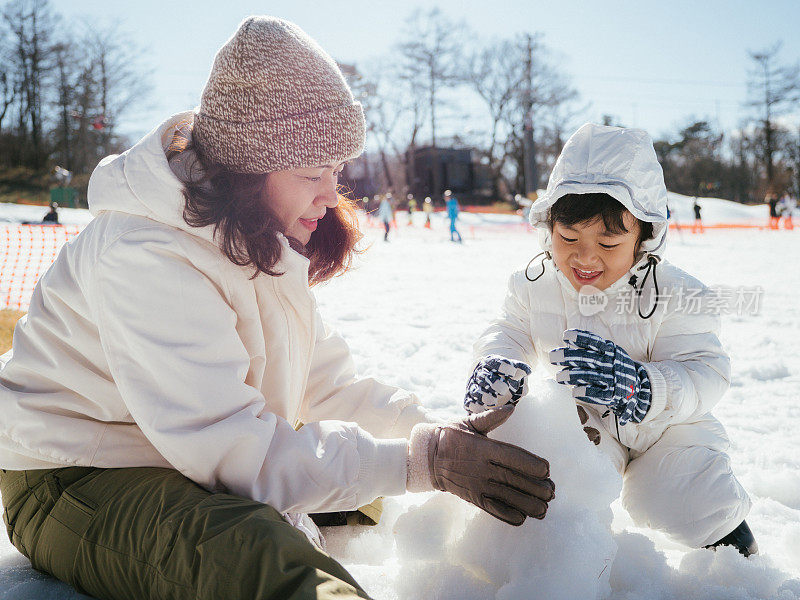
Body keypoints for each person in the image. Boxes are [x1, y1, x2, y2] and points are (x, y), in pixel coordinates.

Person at [0, 17, 555, 600]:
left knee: (367, 484)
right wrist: (424, 464)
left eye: (336, 171)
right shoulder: (144, 257)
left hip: (182, 450)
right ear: (246, 170)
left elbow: (326, 383)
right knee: (255, 556)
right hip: (74, 471)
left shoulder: (255, 240)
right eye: (311, 173)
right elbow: (233, 450)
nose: (330, 194)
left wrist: (431, 436)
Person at [464, 123, 756, 557]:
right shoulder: (534, 284)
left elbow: (706, 370)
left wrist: (640, 387)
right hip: (590, 422)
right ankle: (558, 558)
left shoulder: (678, 293)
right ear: (549, 228)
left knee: (684, 496)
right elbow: (510, 329)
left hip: (669, 426)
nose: (585, 257)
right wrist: (498, 361)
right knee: (549, 475)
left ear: (644, 237)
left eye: (609, 241)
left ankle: (738, 557)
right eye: (568, 238)